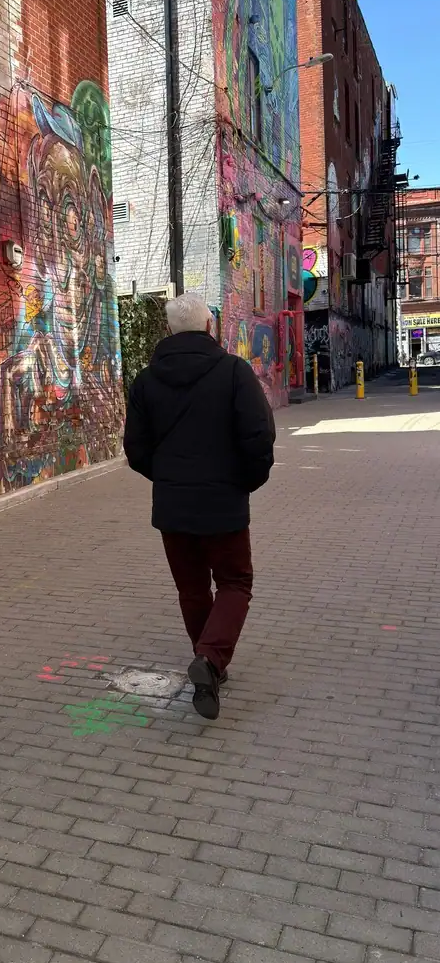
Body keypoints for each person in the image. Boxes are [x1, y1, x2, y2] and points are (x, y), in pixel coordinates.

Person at [123, 294, 275, 720]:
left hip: (173, 506)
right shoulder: (233, 372)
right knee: (235, 582)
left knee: (191, 589)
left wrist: (170, 479)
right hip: (224, 502)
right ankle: (209, 661)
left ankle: (207, 662)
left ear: (168, 331)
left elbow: (136, 449)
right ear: (211, 328)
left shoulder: (145, 381)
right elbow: (258, 437)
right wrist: (245, 482)